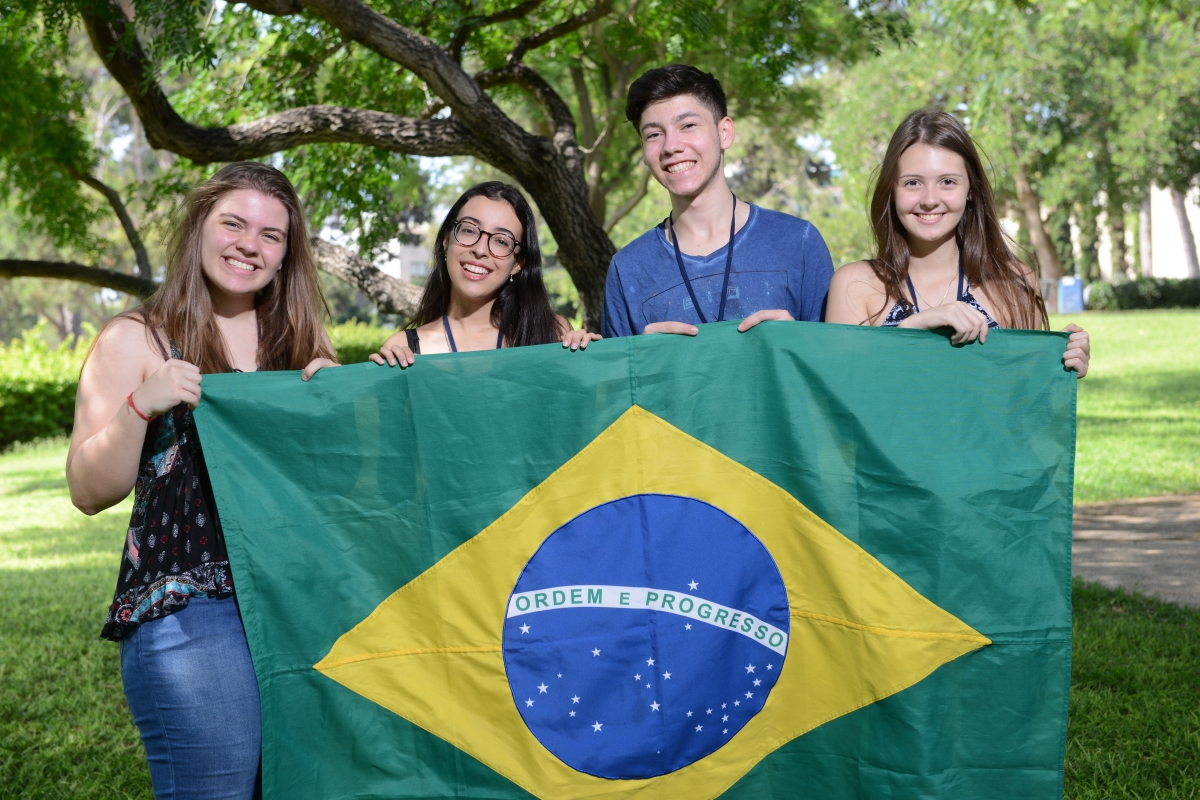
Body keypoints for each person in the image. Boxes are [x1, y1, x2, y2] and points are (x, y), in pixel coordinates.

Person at [66, 162, 337, 799]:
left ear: (284, 258)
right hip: (194, 616)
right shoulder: (137, 339)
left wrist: (340, 402)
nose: (250, 243)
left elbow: (340, 489)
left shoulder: (301, 344)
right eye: (234, 223)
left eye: (272, 236)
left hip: (297, 604)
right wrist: (142, 404)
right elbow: (87, 489)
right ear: (199, 230)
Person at [826, 109, 1090, 376]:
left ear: (971, 191)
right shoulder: (855, 286)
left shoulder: (1015, 283)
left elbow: (1022, 398)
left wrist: (1059, 365)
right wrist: (909, 329)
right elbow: (838, 394)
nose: (930, 199)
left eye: (948, 182)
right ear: (891, 192)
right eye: (913, 182)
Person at [601, 64, 834, 339]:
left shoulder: (798, 242)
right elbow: (618, 380)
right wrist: (644, 360)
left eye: (688, 125)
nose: (670, 146)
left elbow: (835, 370)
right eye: (654, 134)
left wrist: (799, 342)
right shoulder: (627, 270)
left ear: (724, 132)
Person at [372, 181, 596, 366]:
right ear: (446, 240)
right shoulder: (403, 349)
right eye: (469, 230)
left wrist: (588, 362)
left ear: (518, 263)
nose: (480, 250)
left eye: (501, 241)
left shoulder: (553, 335)